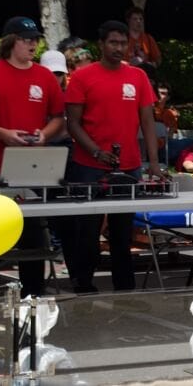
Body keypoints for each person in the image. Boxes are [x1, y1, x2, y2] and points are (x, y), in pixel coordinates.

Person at [61, 20, 162, 293]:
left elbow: (148, 122)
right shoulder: (82, 77)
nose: (119, 48)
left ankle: (124, 288)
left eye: (123, 43)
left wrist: (153, 162)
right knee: (88, 230)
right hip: (88, 165)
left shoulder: (138, 77)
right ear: (101, 45)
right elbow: (73, 123)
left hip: (128, 166)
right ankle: (83, 283)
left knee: (122, 232)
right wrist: (95, 150)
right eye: (113, 43)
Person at [0, 16, 65, 297]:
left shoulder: (45, 76)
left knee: (34, 235)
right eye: (27, 39)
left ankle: (32, 294)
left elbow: (59, 118)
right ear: (11, 41)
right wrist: (3, 133)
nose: (34, 44)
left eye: (36, 39)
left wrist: (45, 133)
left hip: (33, 169)